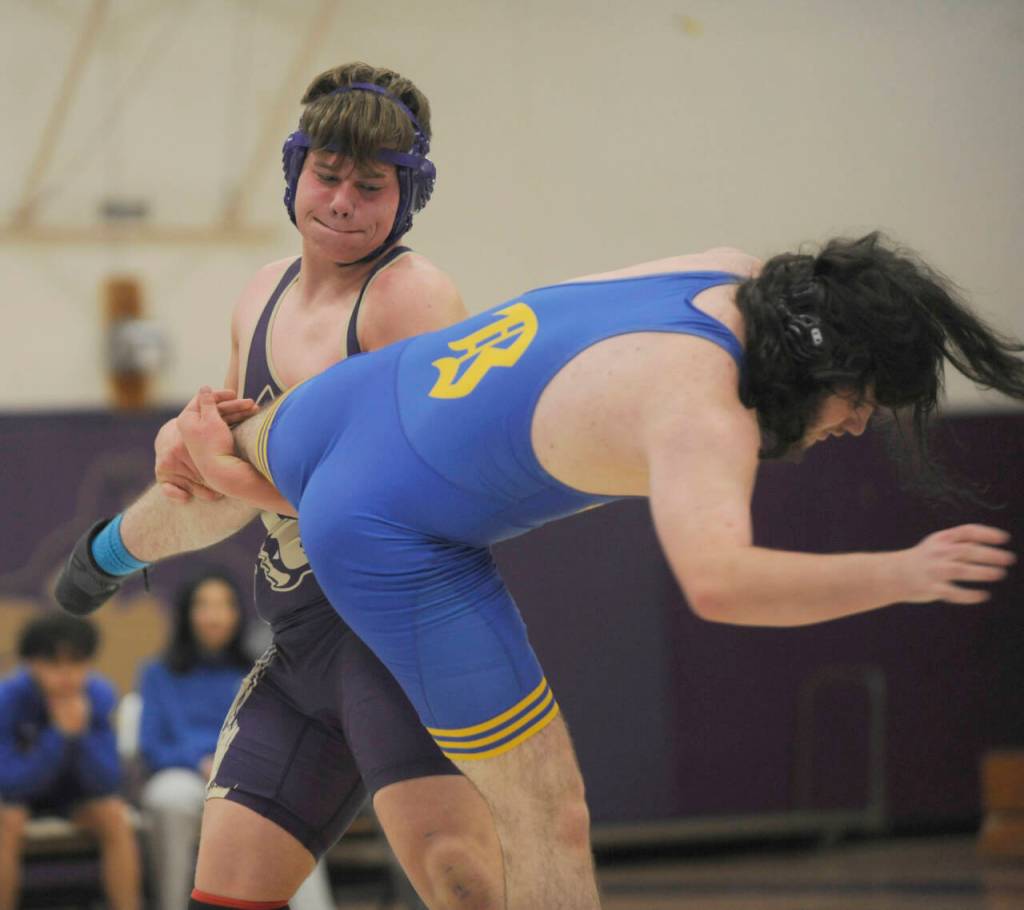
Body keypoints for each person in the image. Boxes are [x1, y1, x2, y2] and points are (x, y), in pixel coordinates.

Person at [177, 233, 1023, 909]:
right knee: (547, 819)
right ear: (816, 362)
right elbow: (721, 585)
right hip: (389, 538)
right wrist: (901, 574)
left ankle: (105, 551)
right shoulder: (705, 406)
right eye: (861, 399)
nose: (858, 422)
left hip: (352, 402)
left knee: (199, 442)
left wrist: (213, 466)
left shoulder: (733, 272)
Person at [55, 63, 505, 910]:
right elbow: (229, 460)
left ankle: (102, 556)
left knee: (463, 888)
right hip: (299, 647)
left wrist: (221, 466)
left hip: (403, 641)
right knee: (222, 896)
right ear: (294, 171)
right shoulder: (262, 292)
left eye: (368, 187)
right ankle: (101, 556)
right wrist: (186, 442)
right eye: (326, 176)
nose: (339, 202)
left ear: (409, 197)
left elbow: (401, 506)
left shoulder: (412, 299)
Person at [137, 571, 331, 910]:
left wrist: (234, 764)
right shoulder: (158, 673)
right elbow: (152, 745)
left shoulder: (261, 668)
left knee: (293, 811)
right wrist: (200, 762)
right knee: (167, 799)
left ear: (238, 613)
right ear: (186, 613)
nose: (215, 616)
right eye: (204, 606)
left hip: (246, 774)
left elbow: (277, 733)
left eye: (224, 605)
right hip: (186, 774)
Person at [0, 613, 142, 910]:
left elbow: (107, 781)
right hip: (19, 800)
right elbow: (9, 783)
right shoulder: (8, 698)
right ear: (31, 663)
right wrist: (59, 736)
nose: (66, 674)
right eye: (53, 663)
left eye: (76, 662)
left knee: (114, 814)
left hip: (74, 798)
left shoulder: (99, 694)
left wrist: (79, 734)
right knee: (5, 819)